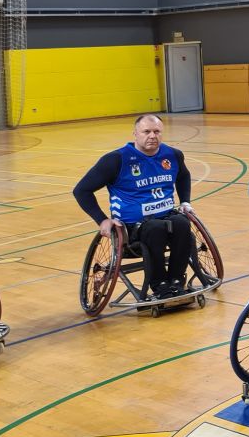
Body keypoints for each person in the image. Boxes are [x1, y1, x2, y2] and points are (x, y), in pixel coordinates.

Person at [73, 114, 193, 299]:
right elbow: (81, 190)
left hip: (166, 216)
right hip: (132, 227)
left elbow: (183, 176)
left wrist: (185, 201)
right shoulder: (116, 160)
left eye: (157, 131)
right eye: (146, 131)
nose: (152, 136)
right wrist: (102, 220)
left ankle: (176, 281)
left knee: (183, 224)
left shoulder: (173, 155)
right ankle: (160, 285)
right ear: (135, 134)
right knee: (155, 229)